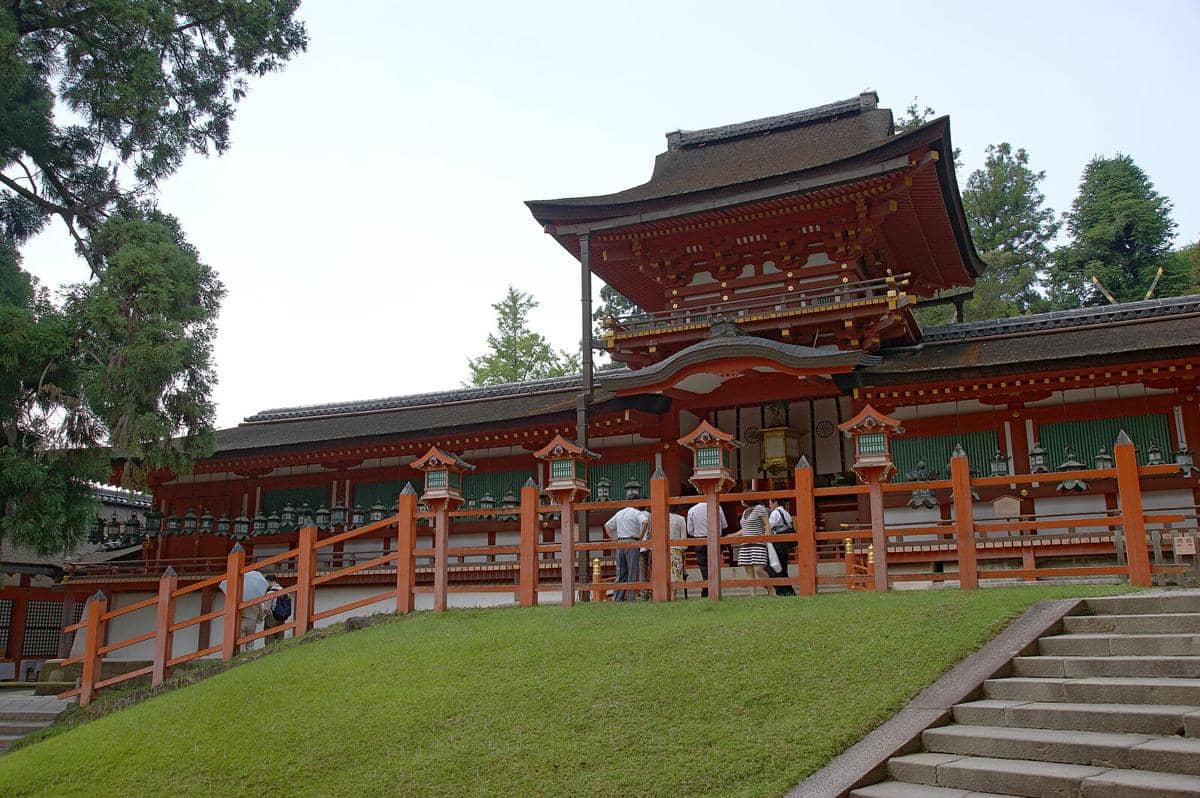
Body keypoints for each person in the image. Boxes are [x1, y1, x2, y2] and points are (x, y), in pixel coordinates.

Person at [604, 497, 649, 602]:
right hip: (632, 541)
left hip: (620, 542)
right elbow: (645, 522)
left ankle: (617, 598)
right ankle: (630, 598)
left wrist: (614, 539)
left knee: (621, 572)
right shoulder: (636, 513)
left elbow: (607, 526)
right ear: (636, 503)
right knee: (632, 571)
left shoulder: (619, 513)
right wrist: (640, 536)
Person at [685, 495, 727, 597]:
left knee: (703, 566)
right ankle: (714, 587)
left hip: (700, 540)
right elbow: (724, 525)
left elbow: (690, 530)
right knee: (715, 564)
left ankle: (706, 587)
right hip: (715, 538)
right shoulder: (717, 507)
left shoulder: (692, 510)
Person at [735, 500, 772, 596]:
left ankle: (771, 590)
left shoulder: (760, 508)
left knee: (758, 569)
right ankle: (753, 594)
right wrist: (732, 535)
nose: (741, 501)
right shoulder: (745, 512)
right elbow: (744, 529)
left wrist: (767, 535)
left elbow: (767, 524)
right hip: (745, 543)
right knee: (749, 570)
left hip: (758, 542)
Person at [766, 499, 796, 596]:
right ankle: (788, 591)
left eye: (770, 502)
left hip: (779, 542)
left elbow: (769, 527)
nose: (769, 505)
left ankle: (780, 590)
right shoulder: (785, 512)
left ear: (776, 502)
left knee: (775, 567)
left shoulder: (775, 513)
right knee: (783, 567)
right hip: (785, 542)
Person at [263, 576, 290, 643]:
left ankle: (270, 652)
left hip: (272, 617)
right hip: (282, 617)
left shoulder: (270, 593)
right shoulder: (285, 592)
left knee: (269, 638)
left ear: (269, 581)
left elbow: (266, 608)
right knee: (280, 638)